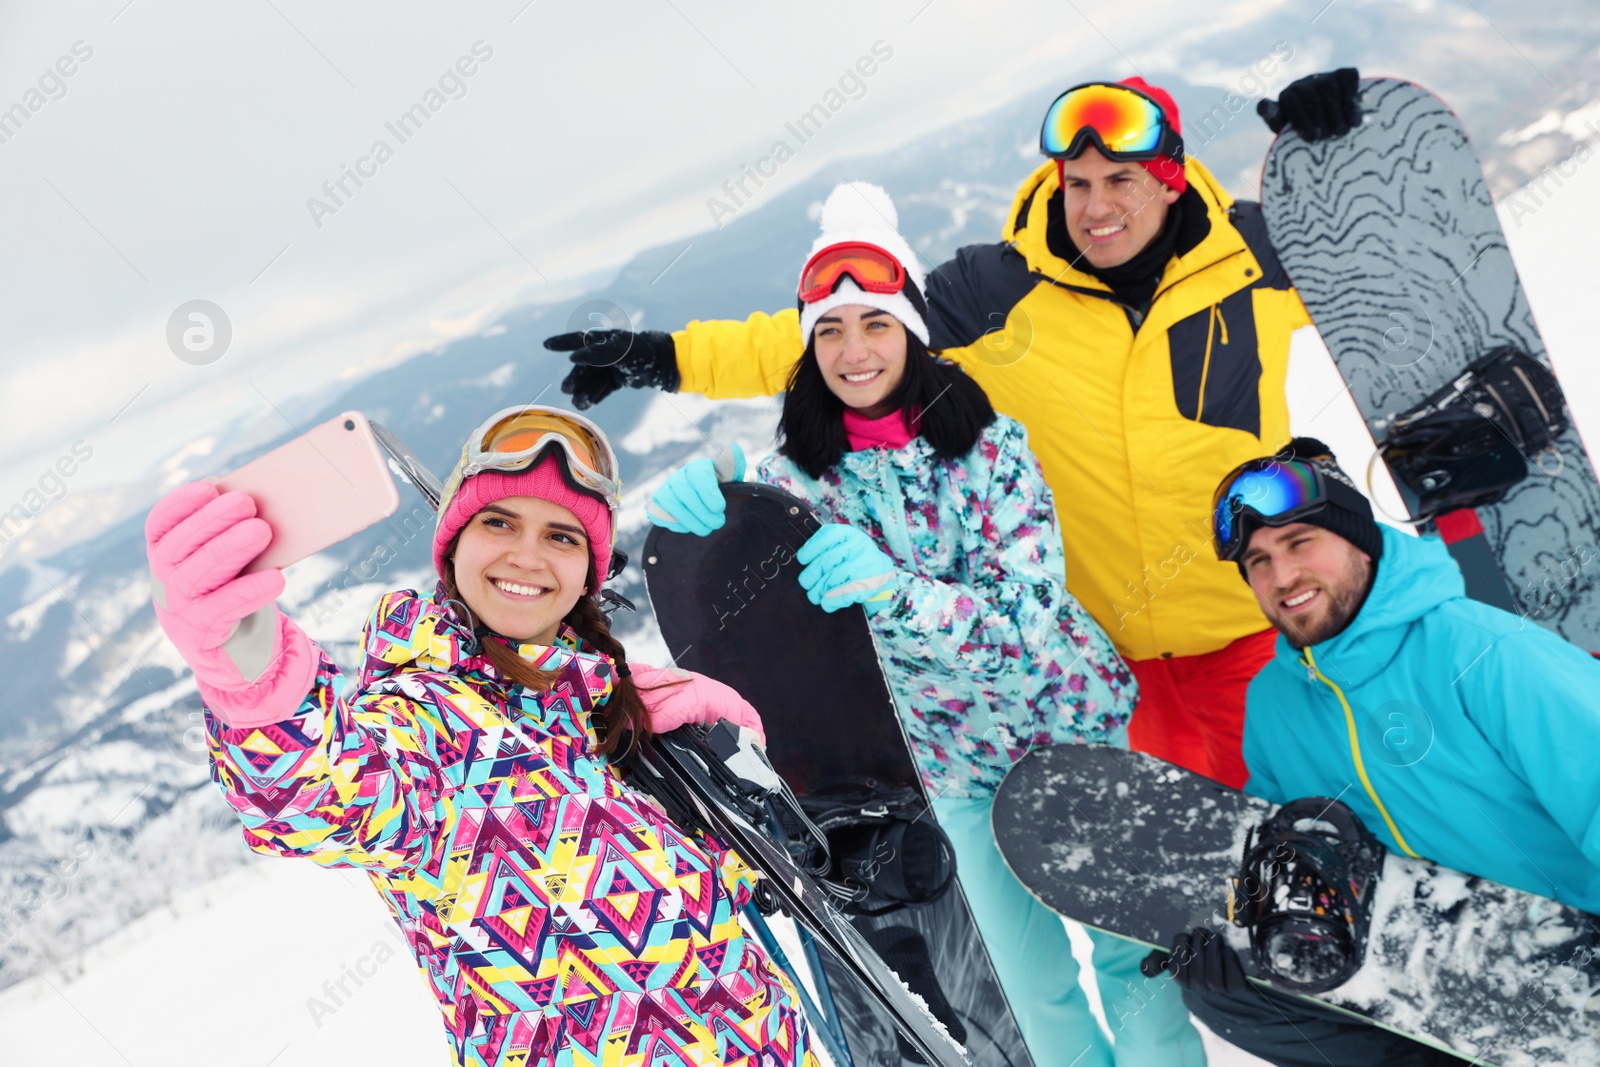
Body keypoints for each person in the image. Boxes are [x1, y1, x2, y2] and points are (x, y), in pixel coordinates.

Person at [546, 70, 1366, 790]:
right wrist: (662, 355)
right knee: (1179, 898)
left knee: (1305, 839)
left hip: (1248, 633)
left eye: (1122, 179)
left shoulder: (1254, 258)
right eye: (1077, 183)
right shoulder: (995, 290)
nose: (1097, 206)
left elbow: (1382, 268)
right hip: (1106, 664)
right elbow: (839, 335)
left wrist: (1332, 141)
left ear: (1173, 180)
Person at [649, 181, 1199, 1067]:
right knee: (1034, 994)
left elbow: (1030, 620)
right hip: (955, 772)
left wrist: (898, 592)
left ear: (910, 328)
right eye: (828, 330)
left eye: (873, 322)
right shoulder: (805, 480)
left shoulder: (994, 451)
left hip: (1073, 734)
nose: (853, 349)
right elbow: (727, 576)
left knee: (1136, 962)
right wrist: (706, 499)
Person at [144, 406, 818, 1067]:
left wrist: (709, 774)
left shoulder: (590, 715)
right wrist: (254, 677)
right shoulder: (428, 725)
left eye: (561, 535)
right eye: (499, 521)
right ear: (453, 543)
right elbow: (315, 791)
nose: (527, 555)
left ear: (588, 569)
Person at [1150, 437, 1600, 1067]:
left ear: (1360, 539)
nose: (1281, 578)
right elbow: (1290, 860)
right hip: (1423, 979)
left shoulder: (1482, 651)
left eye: (1300, 543)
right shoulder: (1275, 702)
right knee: (1238, 1000)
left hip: (1573, 960)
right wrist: (1233, 940)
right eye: (1257, 561)